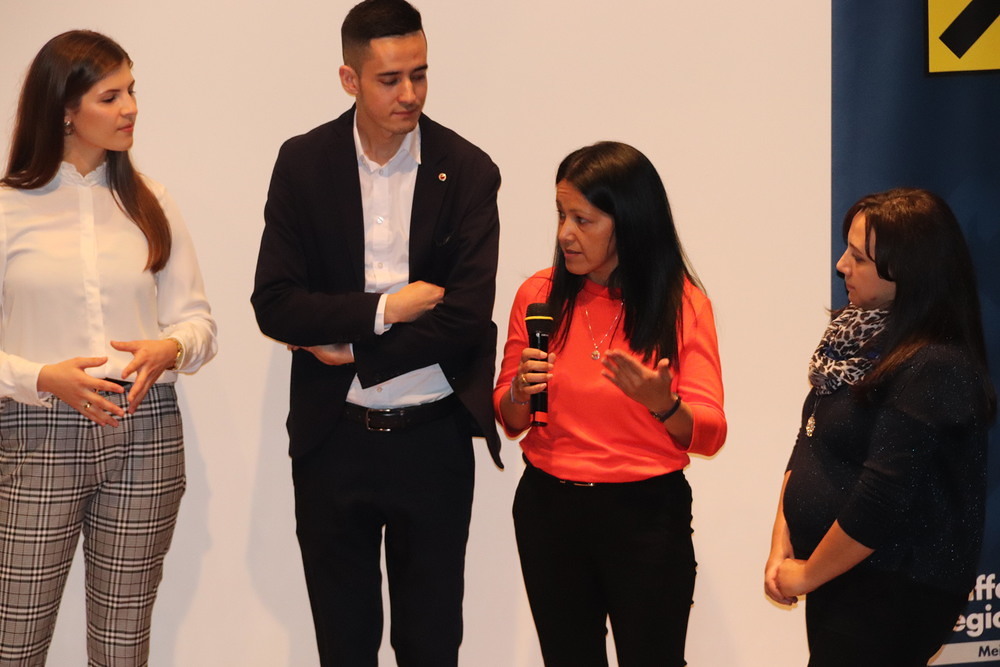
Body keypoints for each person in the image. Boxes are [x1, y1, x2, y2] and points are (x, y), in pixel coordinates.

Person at [251, 0, 501, 664]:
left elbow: (465, 316)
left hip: (433, 441)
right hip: (334, 440)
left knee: (431, 643)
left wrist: (355, 349)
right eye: (390, 79)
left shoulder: (468, 169)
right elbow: (275, 304)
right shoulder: (303, 163)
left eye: (420, 73)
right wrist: (386, 310)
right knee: (344, 643)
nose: (410, 93)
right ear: (350, 79)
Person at [0, 30, 217, 665]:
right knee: (15, 638)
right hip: (38, 431)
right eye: (111, 96)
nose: (131, 108)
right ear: (65, 110)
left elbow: (198, 323)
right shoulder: (8, 208)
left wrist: (169, 349)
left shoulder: (150, 202)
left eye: (131, 91)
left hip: (145, 428)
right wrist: (42, 377)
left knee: (124, 642)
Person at [494, 141, 726, 666]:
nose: (564, 234)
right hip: (549, 509)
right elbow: (509, 421)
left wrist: (664, 405)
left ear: (629, 222)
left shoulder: (682, 304)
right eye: (561, 215)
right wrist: (517, 393)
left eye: (583, 220)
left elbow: (711, 432)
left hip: (645, 515)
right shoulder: (538, 295)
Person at [764, 188, 995, 666]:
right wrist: (780, 545)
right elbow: (810, 442)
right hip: (839, 576)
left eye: (859, 257)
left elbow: (881, 499)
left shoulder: (935, 365)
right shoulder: (852, 344)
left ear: (907, 271)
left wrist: (807, 575)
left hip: (892, 586)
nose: (842, 266)